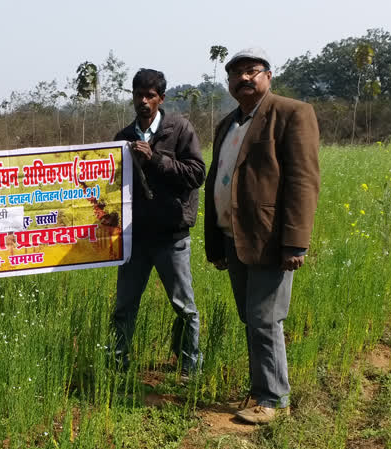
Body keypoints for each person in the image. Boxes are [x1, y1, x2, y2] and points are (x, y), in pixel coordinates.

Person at [204, 48, 320, 424]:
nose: (244, 78)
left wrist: (295, 242)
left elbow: (303, 181)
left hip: (270, 238)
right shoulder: (228, 123)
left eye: (252, 71)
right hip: (233, 236)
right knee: (250, 317)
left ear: (268, 76)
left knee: (265, 317)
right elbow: (218, 181)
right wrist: (215, 242)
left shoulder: (291, 114)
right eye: (236, 73)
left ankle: (272, 399)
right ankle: (261, 387)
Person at [113, 69, 206, 376]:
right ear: (133, 96)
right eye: (139, 94)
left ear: (161, 99)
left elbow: (196, 174)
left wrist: (154, 159)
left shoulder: (179, 130)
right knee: (124, 307)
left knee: (184, 307)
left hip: (171, 235)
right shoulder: (122, 138)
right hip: (134, 237)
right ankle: (118, 367)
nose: (144, 100)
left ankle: (189, 369)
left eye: (150, 95)